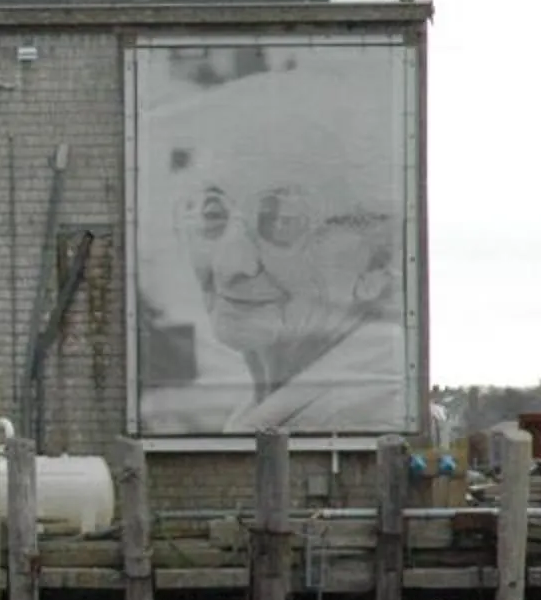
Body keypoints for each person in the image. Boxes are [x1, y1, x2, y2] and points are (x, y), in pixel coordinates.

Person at [159, 65, 407, 432]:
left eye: (284, 219)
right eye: (213, 213)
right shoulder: (279, 405)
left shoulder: (363, 419)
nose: (230, 265)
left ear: (375, 265)